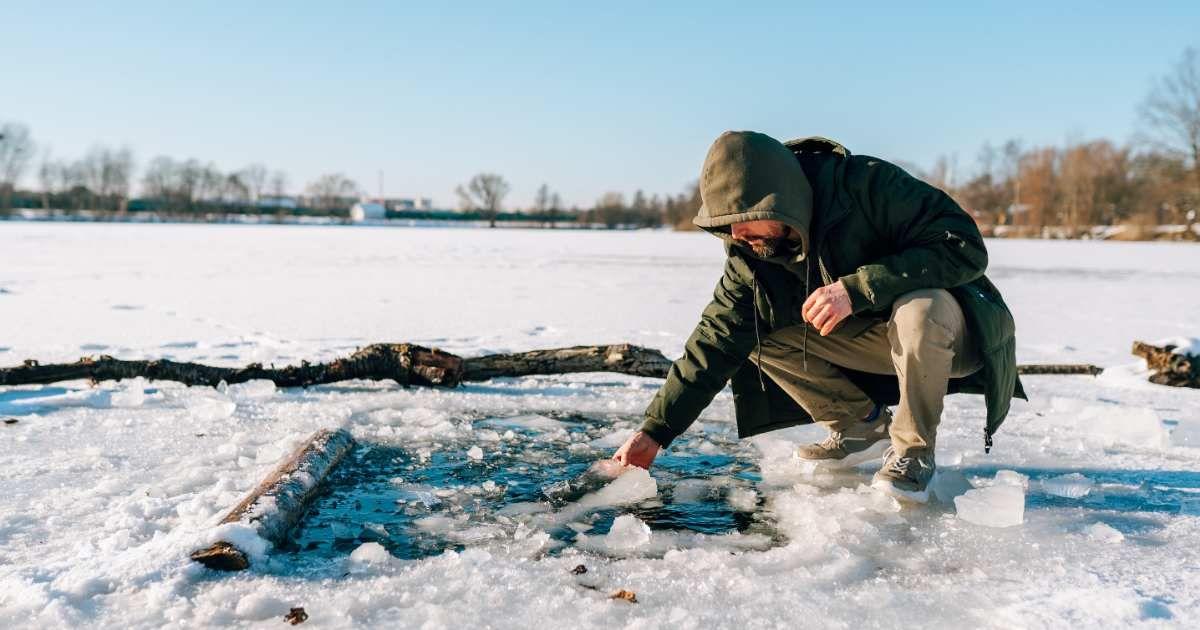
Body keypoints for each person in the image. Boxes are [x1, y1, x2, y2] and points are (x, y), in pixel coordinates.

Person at [612, 131, 1025, 502]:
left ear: (778, 201)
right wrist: (655, 432)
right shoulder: (752, 252)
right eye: (726, 227)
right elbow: (714, 339)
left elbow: (965, 247)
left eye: (743, 222)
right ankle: (859, 422)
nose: (737, 237)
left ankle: (913, 452)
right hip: (876, 341)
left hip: (955, 332)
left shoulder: (867, 186)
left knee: (920, 308)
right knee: (752, 331)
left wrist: (858, 289)